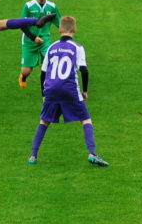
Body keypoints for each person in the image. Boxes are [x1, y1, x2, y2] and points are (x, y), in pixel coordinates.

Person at [28, 15, 109, 167]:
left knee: (44, 121)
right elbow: (84, 71)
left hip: (51, 89)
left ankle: (33, 155)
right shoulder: (77, 48)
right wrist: (84, 91)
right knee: (85, 119)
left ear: (59, 29)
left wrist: (43, 94)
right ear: (74, 29)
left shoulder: (51, 47)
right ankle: (92, 153)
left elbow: (43, 73)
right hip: (69, 88)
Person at [18, 0, 61, 89]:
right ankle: (23, 76)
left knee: (50, 63)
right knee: (27, 71)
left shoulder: (52, 7)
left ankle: (48, 87)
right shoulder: (28, 6)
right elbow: (22, 25)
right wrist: (33, 37)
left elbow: (60, 24)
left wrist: (66, 33)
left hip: (44, 40)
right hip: (29, 41)